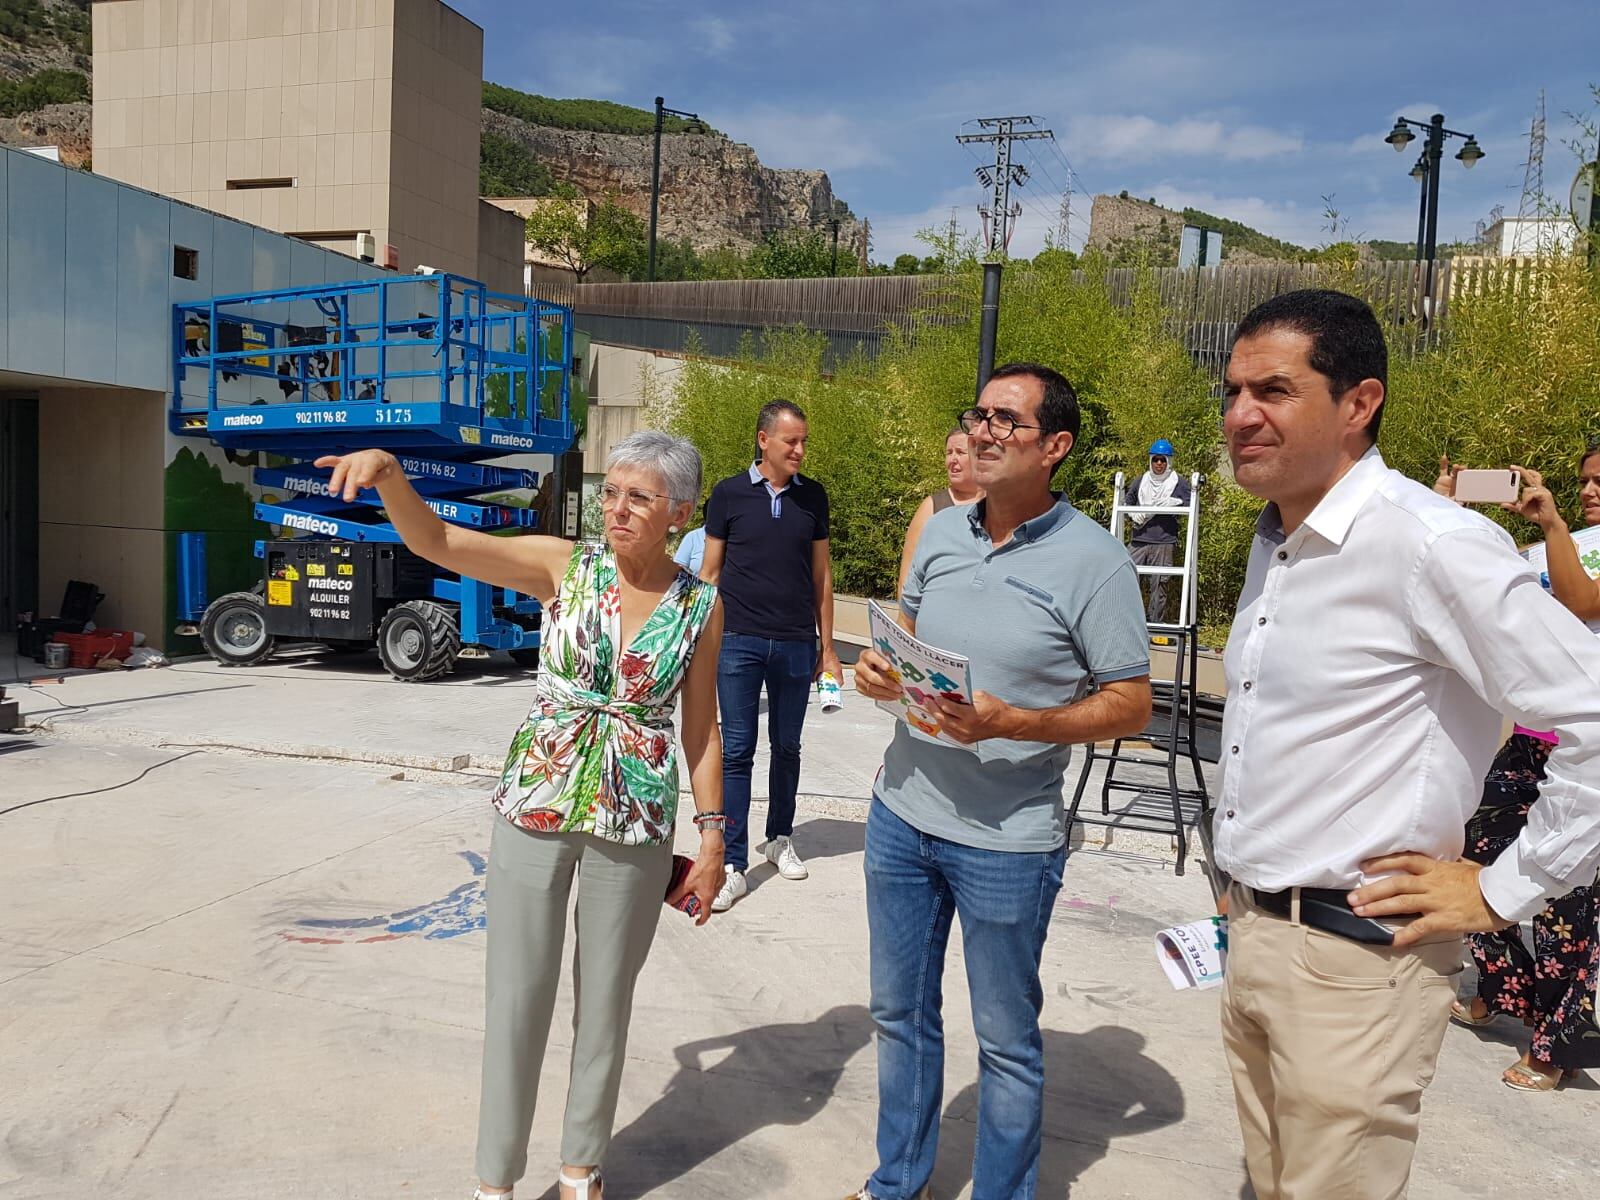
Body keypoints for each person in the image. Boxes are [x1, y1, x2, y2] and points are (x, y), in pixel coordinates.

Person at [1211, 289, 1600, 1200]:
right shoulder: (1280, 542)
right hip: (1258, 939)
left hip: (1360, 965)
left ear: (1359, 402)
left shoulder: (1431, 545)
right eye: (1230, 392)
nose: (1239, 416)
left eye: (1272, 390)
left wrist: (1507, 888)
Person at [315, 431, 727, 1200]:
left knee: (606, 999)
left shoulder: (700, 605)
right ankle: (495, 1181)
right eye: (611, 493)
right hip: (537, 799)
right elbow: (439, 541)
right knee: (517, 995)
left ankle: (581, 1170)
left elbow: (702, 726)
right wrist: (391, 479)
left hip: (635, 816)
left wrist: (711, 837)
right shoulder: (565, 565)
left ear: (681, 511)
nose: (618, 510)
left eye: (639, 498)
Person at [851, 363, 1154, 1200]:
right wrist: (882, 668)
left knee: (1005, 1041)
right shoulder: (945, 531)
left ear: (1054, 447)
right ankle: (897, 1181)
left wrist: (1013, 721)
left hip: (1007, 841)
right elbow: (906, 631)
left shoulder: (1095, 563)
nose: (982, 432)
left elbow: (1131, 704)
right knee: (898, 1016)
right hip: (901, 815)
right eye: (978, 414)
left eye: (1005, 421)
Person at [1437, 441, 1600, 1090]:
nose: (1590, 491)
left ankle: (1557, 1045)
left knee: (1571, 894)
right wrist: (1445, 511)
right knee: (1472, 849)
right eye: (1586, 480)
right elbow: (1497, 595)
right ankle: (1508, 990)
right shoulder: (1573, 542)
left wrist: (1555, 525)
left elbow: (1583, 604)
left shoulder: (1570, 542)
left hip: (1587, 749)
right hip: (1534, 735)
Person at [699, 399, 842, 911]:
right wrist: (692, 638)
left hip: (796, 643)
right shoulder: (729, 494)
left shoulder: (814, 498)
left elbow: (822, 576)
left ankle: (779, 837)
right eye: (791, 441)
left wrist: (828, 649)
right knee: (737, 750)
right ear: (764, 440)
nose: (800, 450)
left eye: (804, 441)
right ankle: (734, 861)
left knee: (787, 748)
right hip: (737, 639)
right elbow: (710, 572)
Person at [897, 428, 983, 595]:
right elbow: (907, 577)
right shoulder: (932, 507)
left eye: (960, 452)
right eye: (949, 453)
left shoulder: (997, 506)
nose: (953, 460)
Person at [1122, 438, 1192, 624]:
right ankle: (1130, 623)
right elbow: (1127, 499)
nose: (1159, 464)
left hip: (1163, 541)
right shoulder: (1142, 481)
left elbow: (1193, 505)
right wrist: (1131, 513)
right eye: (1156, 460)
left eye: (1163, 460)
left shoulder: (1178, 483)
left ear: (1169, 462)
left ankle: (1155, 625)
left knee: (1159, 585)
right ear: (1151, 460)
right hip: (1139, 540)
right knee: (1127, 579)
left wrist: (1174, 502)